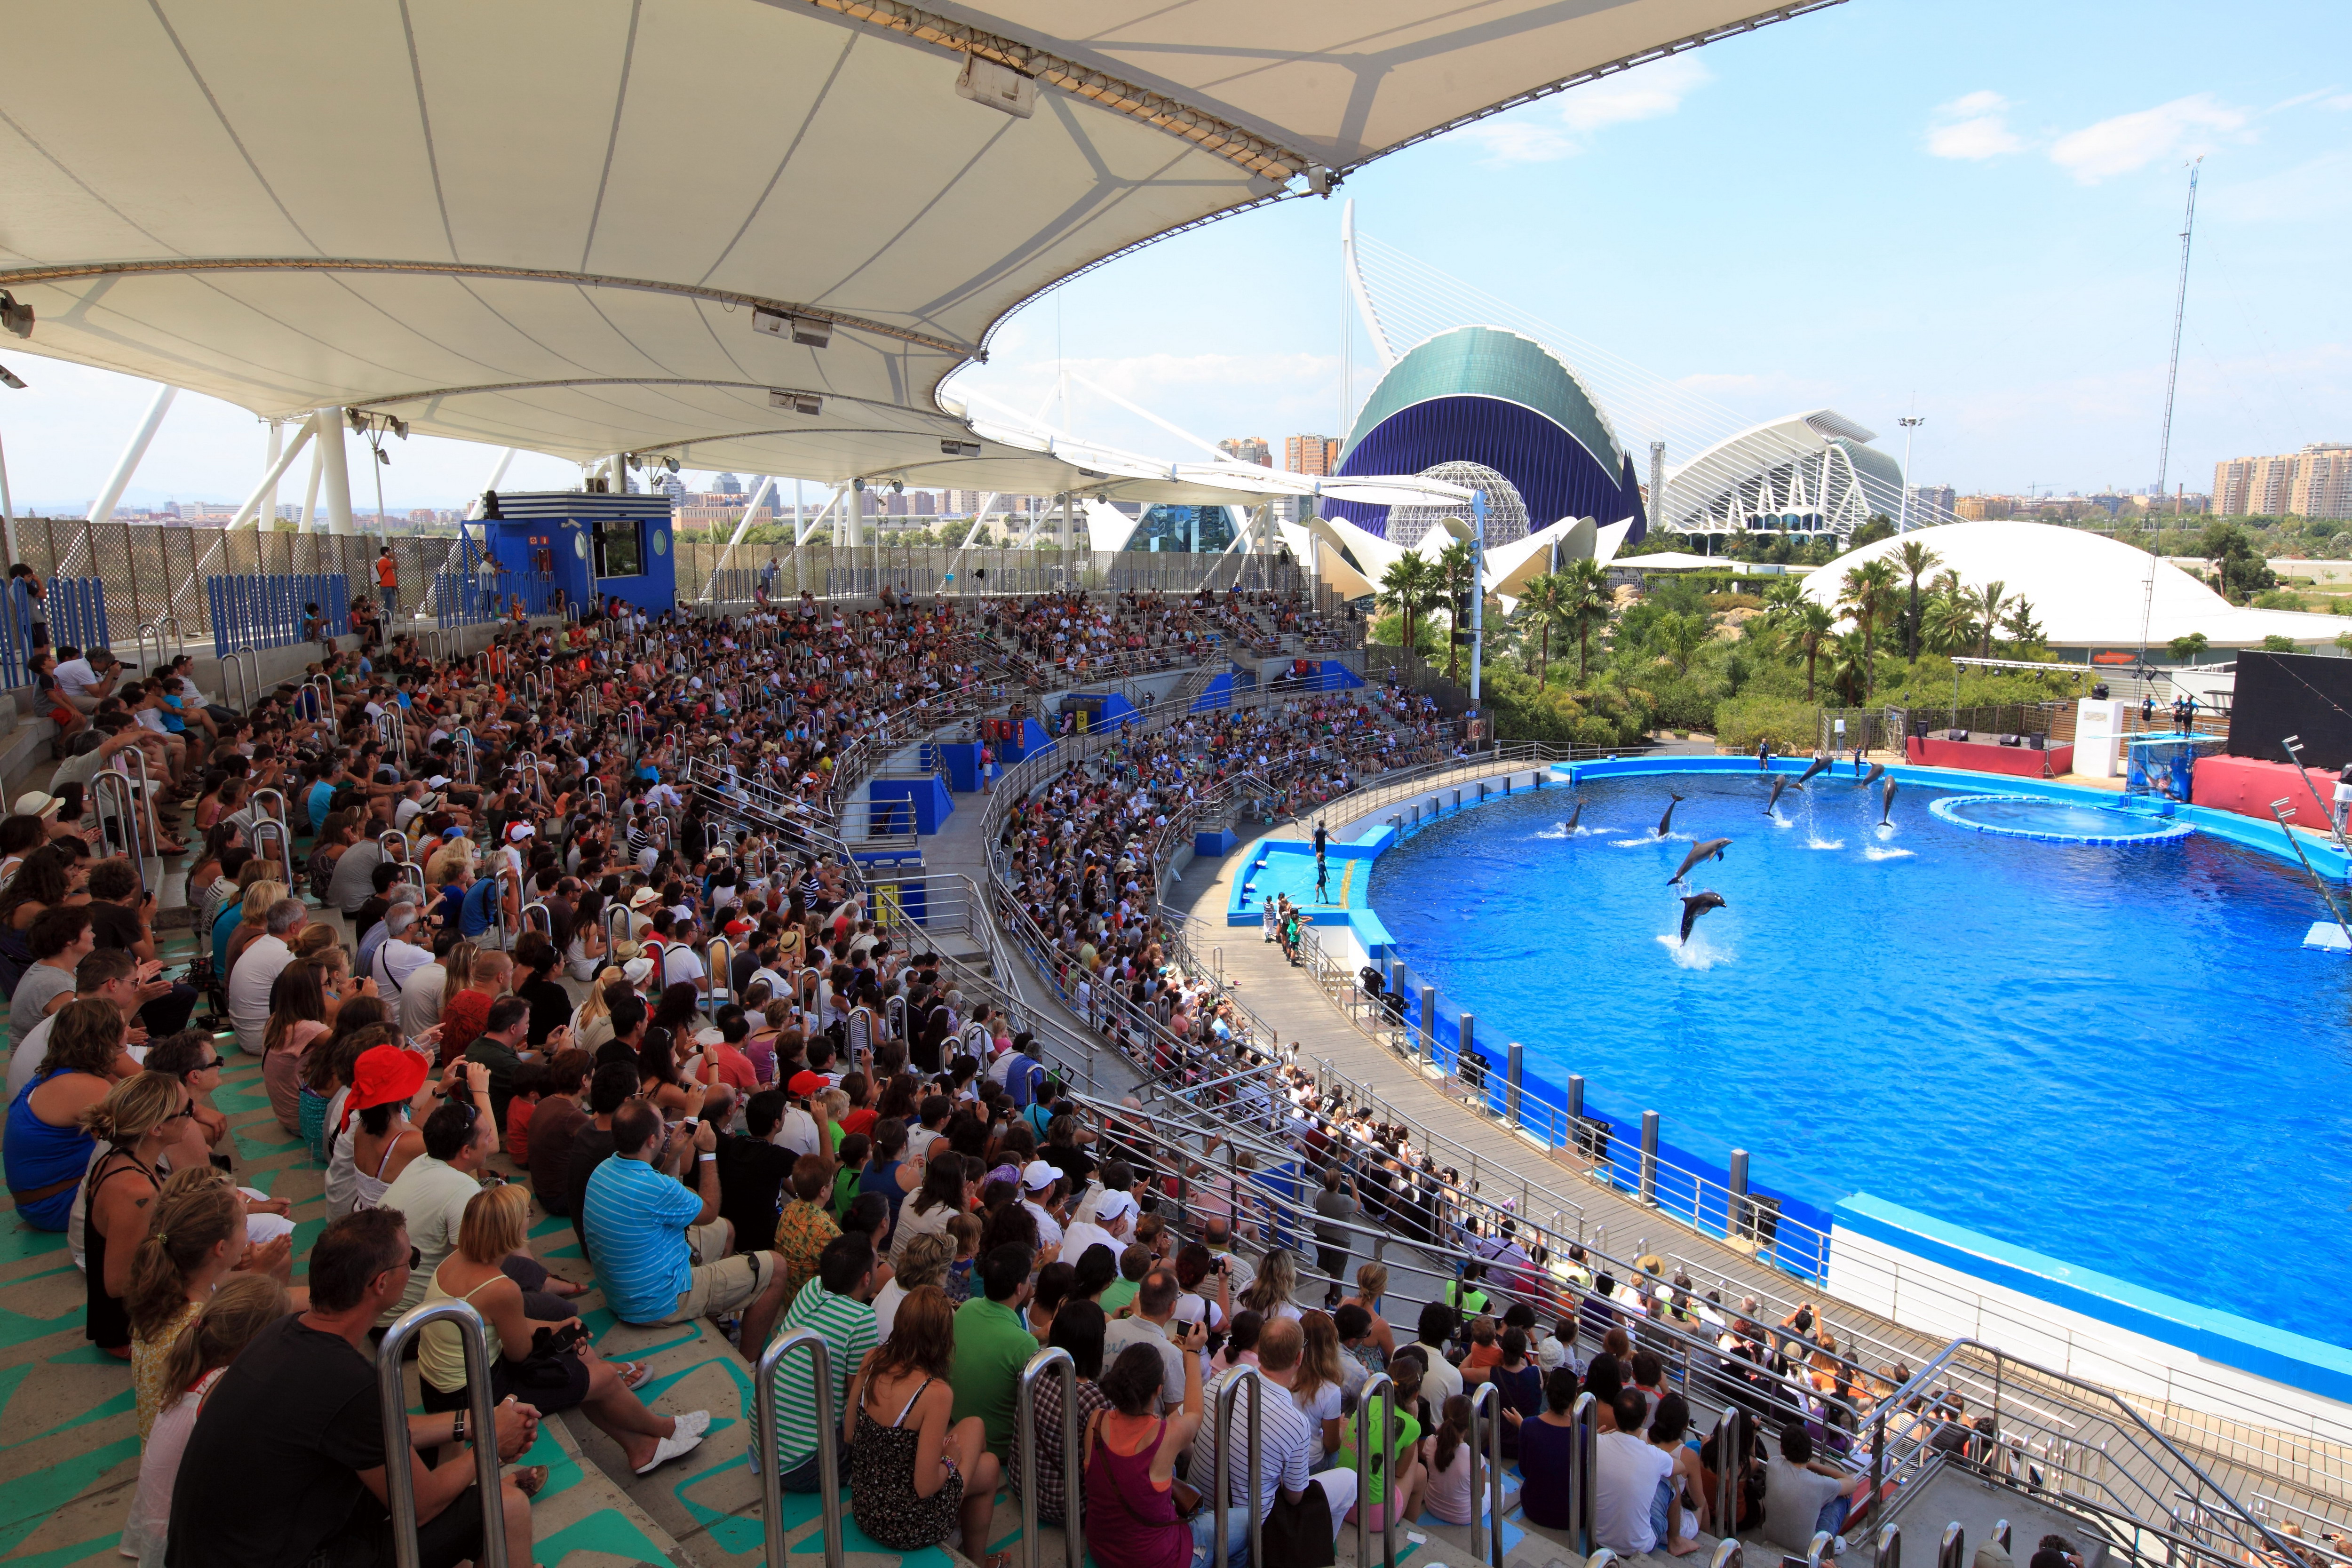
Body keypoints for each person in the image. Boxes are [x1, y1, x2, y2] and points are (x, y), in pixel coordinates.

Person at [164, 1207, 542, 1568]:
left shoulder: (284, 1333)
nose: (413, 1267)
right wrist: (493, 1446)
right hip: (279, 1556)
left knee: (430, 1459)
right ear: (381, 1283)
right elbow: (420, 1504)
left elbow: (382, 1432)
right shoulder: (345, 1377)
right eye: (410, 1260)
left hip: (223, 1548)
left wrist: (474, 1421)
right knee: (507, 1506)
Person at [418, 1184, 705, 1473]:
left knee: (583, 1361)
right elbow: (519, 1354)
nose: (529, 1218)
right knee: (601, 1376)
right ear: (512, 1230)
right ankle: (664, 1428)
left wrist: (555, 1326)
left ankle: (642, 1449)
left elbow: (493, 1325)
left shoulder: (452, 1263)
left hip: (444, 1387)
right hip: (476, 1394)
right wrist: (553, 1337)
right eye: (526, 1214)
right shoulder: (499, 1288)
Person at [580, 1098, 792, 1356]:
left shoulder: (605, 1169)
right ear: (651, 1140)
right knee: (777, 1267)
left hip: (625, 1292)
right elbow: (709, 1209)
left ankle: (719, 1319)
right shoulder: (653, 1187)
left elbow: (666, 1200)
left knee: (726, 1230)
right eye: (662, 1127)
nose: (666, 1131)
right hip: (661, 1301)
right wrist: (708, 1154)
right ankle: (748, 1361)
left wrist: (676, 1154)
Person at [124, 1274, 287, 1568]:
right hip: (185, 1543)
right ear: (257, 1341)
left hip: (164, 1527)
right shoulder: (226, 1391)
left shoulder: (197, 1363)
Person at [843, 1282, 1005, 1565]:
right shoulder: (935, 1392)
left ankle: (962, 1522)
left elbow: (849, 1434)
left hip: (866, 1507)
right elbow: (925, 1485)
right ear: (942, 1337)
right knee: (990, 1467)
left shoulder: (873, 1359)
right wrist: (950, 1461)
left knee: (975, 1425)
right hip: (908, 1526)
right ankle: (977, 1559)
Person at [1191, 1315, 1358, 1566]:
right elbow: (1294, 1498)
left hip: (1200, 1501)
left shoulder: (1225, 1380)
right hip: (1248, 1523)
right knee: (1349, 1479)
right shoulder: (1294, 1421)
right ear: (1299, 1358)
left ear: (1259, 1347)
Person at [82, 1071, 194, 1360]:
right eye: (187, 1110)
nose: (191, 1117)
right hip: (130, 1330)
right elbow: (118, 1284)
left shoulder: (118, 1157)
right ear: (157, 1128)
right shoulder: (134, 1192)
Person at [7, 996, 137, 1231]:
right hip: (55, 1204)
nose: (128, 1029)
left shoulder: (65, 1071)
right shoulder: (85, 1086)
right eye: (123, 1024)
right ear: (105, 1038)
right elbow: (137, 1137)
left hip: (39, 1199)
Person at [1084, 1332, 1208, 1568]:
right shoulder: (1166, 1437)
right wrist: (1192, 1353)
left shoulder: (1096, 1421)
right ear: (1159, 1389)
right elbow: (1194, 1413)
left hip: (1103, 1549)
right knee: (1243, 1523)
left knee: (1187, 1489)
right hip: (1154, 1559)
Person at [770, 1232, 881, 1491]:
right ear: (867, 1278)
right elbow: (859, 1396)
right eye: (876, 1265)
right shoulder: (862, 1318)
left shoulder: (813, 1286)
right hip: (799, 1466)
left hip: (765, 1439)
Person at [948, 1241, 1041, 1457]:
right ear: (1020, 1287)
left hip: (960, 1427)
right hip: (998, 1447)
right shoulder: (1024, 1344)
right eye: (1029, 1278)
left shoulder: (967, 1309)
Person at [1339, 1351, 1426, 1531]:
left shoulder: (1367, 1401)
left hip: (1342, 1501)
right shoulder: (1411, 1425)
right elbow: (1401, 1472)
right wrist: (1414, 1419)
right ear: (1416, 1395)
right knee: (1421, 1472)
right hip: (1374, 1516)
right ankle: (1409, 1529)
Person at [1763, 1421, 1873, 1556]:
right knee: (1845, 1497)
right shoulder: (1820, 1483)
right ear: (1810, 1452)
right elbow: (1852, 1484)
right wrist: (1812, 1465)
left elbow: (1783, 1458)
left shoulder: (1773, 1464)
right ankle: (1832, 1543)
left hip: (1771, 1537)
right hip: (1810, 1551)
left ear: (1782, 1449)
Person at [1593, 1388, 1678, 1557]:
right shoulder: (1654, 1456)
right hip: (1640, 1546)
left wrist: (1594, 1436)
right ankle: (1676, 1541)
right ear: (1645, 1418)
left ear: (1615, 1414)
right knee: (1669, 1481)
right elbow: (1681, 1466)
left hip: (1598, 1537)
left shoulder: (1594, 1442)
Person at [1103, 1267, 1190, 1411]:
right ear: (1172, 1306)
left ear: (1139, 1299)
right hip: (1149, 1430)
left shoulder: (1110, 1328)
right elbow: (1176, 1413)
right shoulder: (1171, 1354)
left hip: (1107, 1421)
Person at [1517, 1367, 1584, 1531]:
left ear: (1548, 1392)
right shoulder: (1584, 1433)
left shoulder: (1528, 1425)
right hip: (1573, 1516)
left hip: (1534, 1509)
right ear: (1575, 1398)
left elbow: (1524, 1470)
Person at [1649, 1391, 1709, 1556]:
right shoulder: (1688, 1456)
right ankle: (1710, 1545)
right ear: (1684, 1426)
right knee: (1704, 1505)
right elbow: (1698, 1500)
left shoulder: (1641, 1436)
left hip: (1643, 1518)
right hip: (1669, 1530)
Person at [1421, 1392, 1480, 1527]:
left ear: (1444, 1415)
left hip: (1432, 1505)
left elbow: (1427, 1456)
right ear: (1471, 1423)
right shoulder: (1475, 1457)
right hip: (1463, 1515)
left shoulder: (1430, 1441)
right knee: (1498, 1491)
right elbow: (1480, 1493)